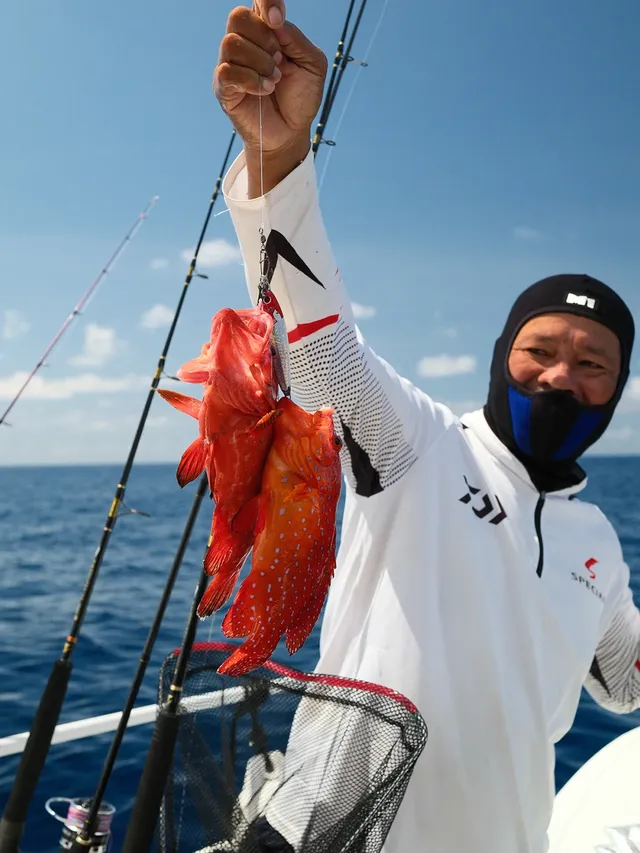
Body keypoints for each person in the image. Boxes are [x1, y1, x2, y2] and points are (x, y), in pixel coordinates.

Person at [214, 4, 640, 850]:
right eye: (541, 349)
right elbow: (326, 344)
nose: (561, 375)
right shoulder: (417, 442)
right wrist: (279, 158)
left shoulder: (599, 542)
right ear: (499, 355)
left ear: (618, 390)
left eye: (593, 364)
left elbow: (625, 684)